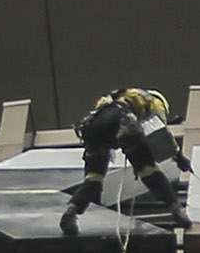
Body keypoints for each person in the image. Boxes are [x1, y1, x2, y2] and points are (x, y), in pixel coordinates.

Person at [65, 87, 191, 230]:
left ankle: (72, 210)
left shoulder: (111, 100)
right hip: (123, 124)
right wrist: (178, 157)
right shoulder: (154, 101)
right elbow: (158, 132)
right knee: (149, 171)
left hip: (94, 128)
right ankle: (177, 211)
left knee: (94, 177)